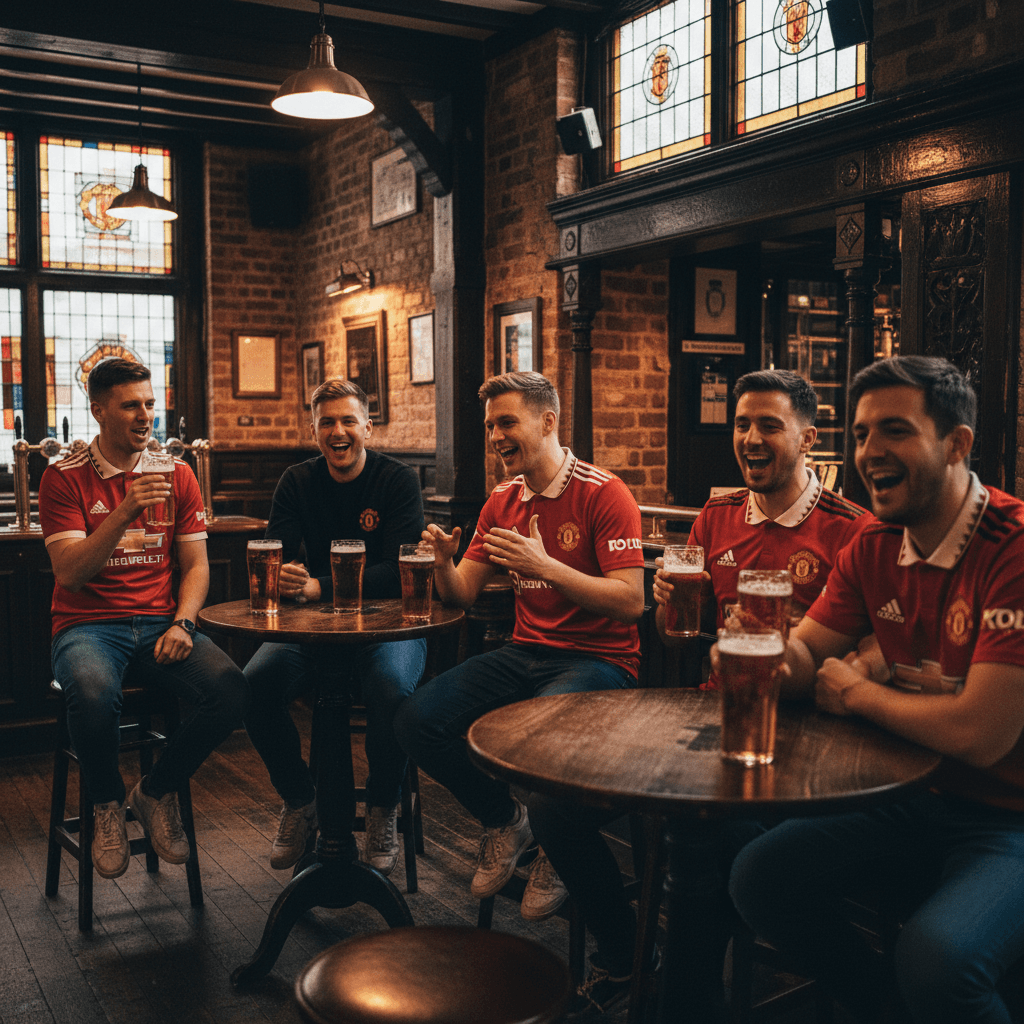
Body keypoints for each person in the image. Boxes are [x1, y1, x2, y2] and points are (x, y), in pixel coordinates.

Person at [529, 368, 870, 1017]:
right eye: (742, 424)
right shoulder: (716, 515)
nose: (750, 437)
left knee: (710, 838)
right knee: (553, 806)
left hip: (801, 733)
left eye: (769, 425)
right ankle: (628, 951)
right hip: (707, 711)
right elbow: (678, 635)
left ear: (808, 439)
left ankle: (690, 1004)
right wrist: (666, 605)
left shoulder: (849, 527)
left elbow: (851, 654)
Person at [729, 355, 1024, 1024]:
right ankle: (885, 1009)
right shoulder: (873, 546)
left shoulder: (1013, 547)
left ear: (957, 445)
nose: (870, 452)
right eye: (861, 434)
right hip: (911, 795)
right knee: (758, 876)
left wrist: (857, 694)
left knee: (938, 961)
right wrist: (773, 657)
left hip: (1009, 815)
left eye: (894, 431)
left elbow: (982, 735)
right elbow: (809, 651)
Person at [394, 370, 645, 923]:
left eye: (507, 422)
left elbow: (631, 602)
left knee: (537, 742)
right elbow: (461, 593)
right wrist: (442, 563)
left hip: (599, 661)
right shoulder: (502, 500)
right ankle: (506, 820)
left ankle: (560, 846)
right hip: (525, 651)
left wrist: (545, 567)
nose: (495, 436)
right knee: (416, 720)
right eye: (490, 426)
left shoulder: (605, 492)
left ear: (548, 421)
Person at [39, 357, 248, 881]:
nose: (145, 415)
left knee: (231, 689)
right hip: (87, 627)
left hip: (160, 622)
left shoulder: (176, 473)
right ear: (98, 411)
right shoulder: (62, 478)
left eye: (150, 404)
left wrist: (184, 622)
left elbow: (196, 566)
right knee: (88, 692)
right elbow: (70, 574)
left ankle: (155, 792)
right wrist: (126, 509)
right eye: (131, 405)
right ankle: (107, 806)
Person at [243, 378, 427, 875]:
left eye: (349, 421)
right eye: (328, 422)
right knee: (252, 687)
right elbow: (278, 557)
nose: (338, 431)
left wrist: (318, 586)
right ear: (313, 430)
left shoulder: (397, 480)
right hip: (314, 631)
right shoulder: (296, 481)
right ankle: (301, 801)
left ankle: (385, 806)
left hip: (390, 629)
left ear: (369, 426)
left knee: (391, 687)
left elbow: (399, 569)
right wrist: (284, 578)